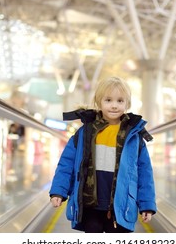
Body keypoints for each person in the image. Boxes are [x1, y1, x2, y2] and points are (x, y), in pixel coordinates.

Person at [49, 76, 156, 233]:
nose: (114, 106)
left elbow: (145, 173)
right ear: (99, 102)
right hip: (90, 204)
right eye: (108, 100)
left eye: (120, 101)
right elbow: (67, 164)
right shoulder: (86, 132)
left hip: (121, 204)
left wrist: (146, 205)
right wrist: (59, 191)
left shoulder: (133, 137)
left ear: (127, 104)